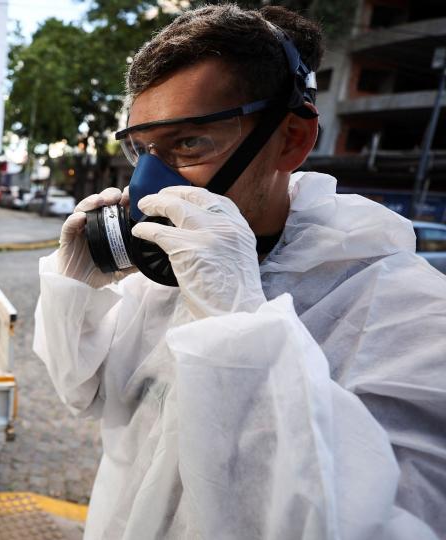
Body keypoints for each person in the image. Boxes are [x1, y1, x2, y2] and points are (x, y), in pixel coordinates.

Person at [34, 4, 445, 539]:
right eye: (142, 150)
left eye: (189, 142)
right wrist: (76, 298)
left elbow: (385, 527)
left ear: (292, 140)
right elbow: (85, 395)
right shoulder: (162, 282)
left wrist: (240, 323)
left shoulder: (409, 314)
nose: (148, 184)